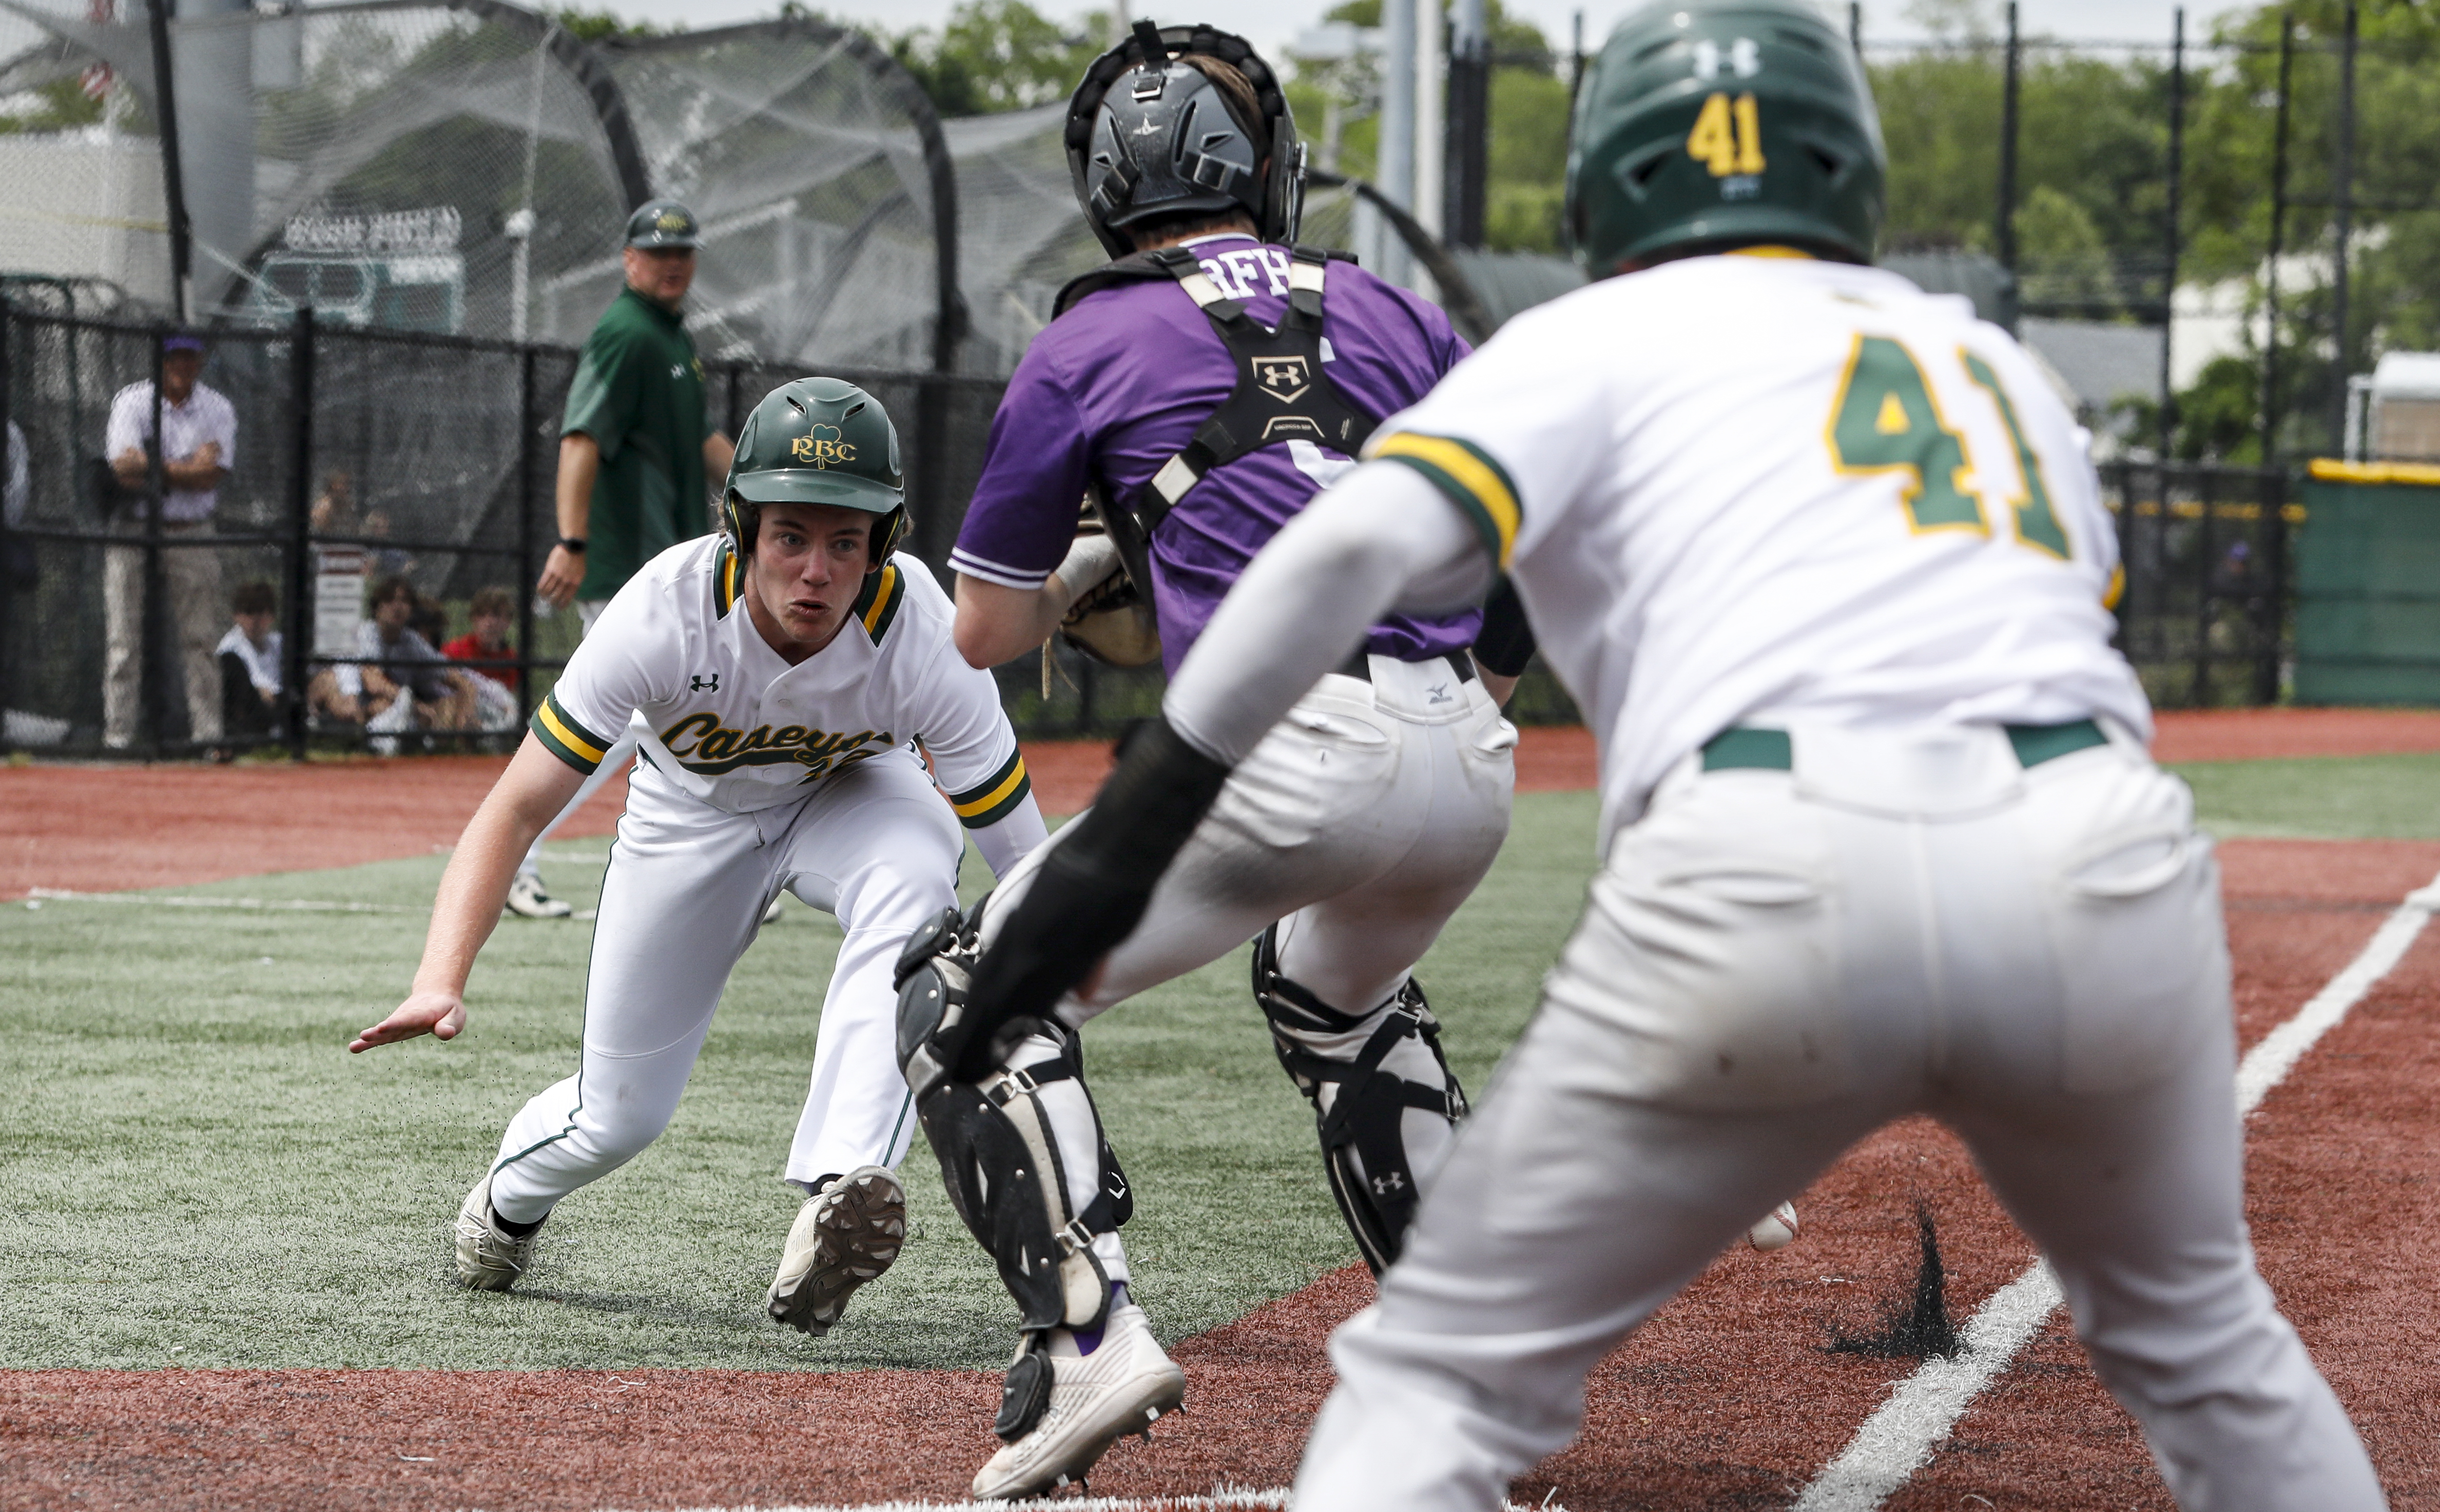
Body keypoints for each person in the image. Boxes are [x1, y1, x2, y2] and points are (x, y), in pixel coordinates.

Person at [914, 3, 2394, 1508]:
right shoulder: (1992, 366)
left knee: (1430, 1398)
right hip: (2099, 852)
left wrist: (1133, 818)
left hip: (1765, 864)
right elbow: (2073, 611)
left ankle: (1106, 1328)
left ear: (1607, 181)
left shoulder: (1583, 342)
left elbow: (1352, 543)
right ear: (1852, 171)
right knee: (2211, 1350)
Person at [907, 22, 1561, 1501]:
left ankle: (1087, 1338)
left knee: (966, 994)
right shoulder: (1392, 307)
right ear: (1265, 170)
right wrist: (1462, 705)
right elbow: (1521, 547)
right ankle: (1472, 1381)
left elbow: (983, 635)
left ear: (1103, 191)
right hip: (1464, 745)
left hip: (1282, 744)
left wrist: (1094, 568)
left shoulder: (1082, 338)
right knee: (1335, 996)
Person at [349, 378, 1046, 1341]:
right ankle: (507, 1205)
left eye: (846, 540)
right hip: (690, 817)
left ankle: (839, 1188)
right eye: (790, 535)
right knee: (618, 1116)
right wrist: (439, 978)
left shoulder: (924, 629)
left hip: (851, 793)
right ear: (742, 528)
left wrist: (1061, 973)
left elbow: (1018, 850)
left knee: (922, 872)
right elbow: (512, 811)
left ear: (883, 542)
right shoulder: (663, 613)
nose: (815, 569)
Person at [508, 197, 739, 922]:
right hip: (625, 565)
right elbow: (581, 439)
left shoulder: (669, 339)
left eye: (682, 253)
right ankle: (512, 857)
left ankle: (734, 863)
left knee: (677, 709)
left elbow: (704, 443)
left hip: (661, 564)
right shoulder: (626, 333)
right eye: (657, 253)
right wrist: (572, 541)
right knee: (616, 720)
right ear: (628, 260)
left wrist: (771, 492)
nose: (672, 265)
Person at [103, 329, 237, 750]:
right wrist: (183, 466)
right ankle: (118, 739)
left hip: (190, 532)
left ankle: (207, 737)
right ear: (161, 362)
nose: (183, 366)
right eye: (175, 358)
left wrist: (153, 467)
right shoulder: (133, 401)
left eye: (190, 358)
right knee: (124, 641)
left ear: (200, 362)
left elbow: (211, 476)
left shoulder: (216, 408)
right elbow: (123, 470)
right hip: (134, 530)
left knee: (200, 639)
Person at [305, 575, 473, 750]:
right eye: (390, 600)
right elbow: (373, 684)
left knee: (445, 703)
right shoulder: (366, 634)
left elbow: (457, 679)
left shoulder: (412, 641)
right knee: (379, 704)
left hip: (388, 707)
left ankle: (438, 750)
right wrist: (417, 706)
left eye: (404, 601)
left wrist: (465, 713)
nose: (397, 607)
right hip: (345, 702)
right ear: (377, 607)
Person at [443, 586, 523, 733]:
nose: (489, 622)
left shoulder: (512, 659)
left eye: (497, 615)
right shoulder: (455, 650)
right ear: (473, 619)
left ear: (508, 621)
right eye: (482, 615)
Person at [216, 579, 283, 743]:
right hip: (249, 712)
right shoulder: (231, 646)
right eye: (248, 612)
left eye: (260, 612)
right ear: (236, 616)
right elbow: (257, 689)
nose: (254, 620)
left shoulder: (278, 643)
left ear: (272, 616)